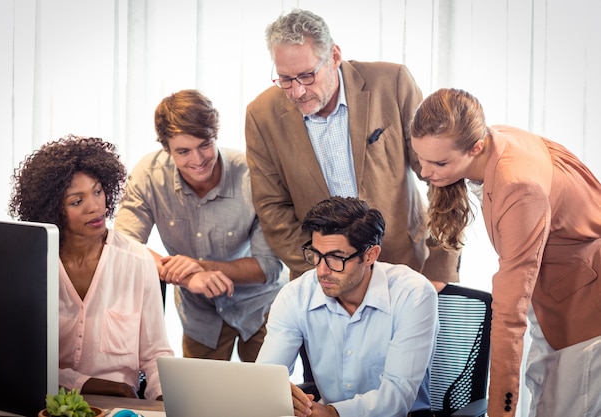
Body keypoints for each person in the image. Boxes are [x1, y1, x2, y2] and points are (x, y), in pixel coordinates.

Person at [409, 87, 601, 417]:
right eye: (419, 158)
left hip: (584, 312)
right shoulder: (494, 140)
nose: (425, 172)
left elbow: (509, 314)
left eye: (439, 162)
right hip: (552, 300)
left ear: (476, 147)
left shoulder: (518, 185)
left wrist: (500, 411)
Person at [245, 8, 460, 289]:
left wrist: (441, 265)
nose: (297, 91)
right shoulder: (261, 115)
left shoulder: (392, 83)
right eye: (285, 79)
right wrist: (328, 265)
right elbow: (272, 209)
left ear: (334, 57)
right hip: (321, 281)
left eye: (307, 76)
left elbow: (442, 177)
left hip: (408, 268)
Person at [115, 89, 284, 362]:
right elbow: (123, 246)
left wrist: (199, 266)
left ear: (215, 134)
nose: (197, 160)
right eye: (183, 151)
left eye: (204, 144)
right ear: (166, 148)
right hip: (200, 314)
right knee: (201, 400)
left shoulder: (254, 176)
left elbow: (269, 266)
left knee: (265, 398)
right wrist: (187, 277)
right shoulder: (148, 176)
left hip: (260, 308)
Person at [8, 135, 173, 400]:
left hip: (118, 405)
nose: (95, 207)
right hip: (45, 400)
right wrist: (84, 383)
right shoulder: (34, 263)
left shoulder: (138, 261)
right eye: (77, 201)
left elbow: (155, 356)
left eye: (98, 191)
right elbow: (20, 355)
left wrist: (165, 401)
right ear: (53, 209)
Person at [256, 196, 439, 417]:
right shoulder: (295, 295)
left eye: (336, 258)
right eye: (316, 255)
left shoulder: (413, 294)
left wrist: (333, 413)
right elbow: (265, 379)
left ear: (370, 255)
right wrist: (290, 401)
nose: (322, 270)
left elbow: (398, 396)